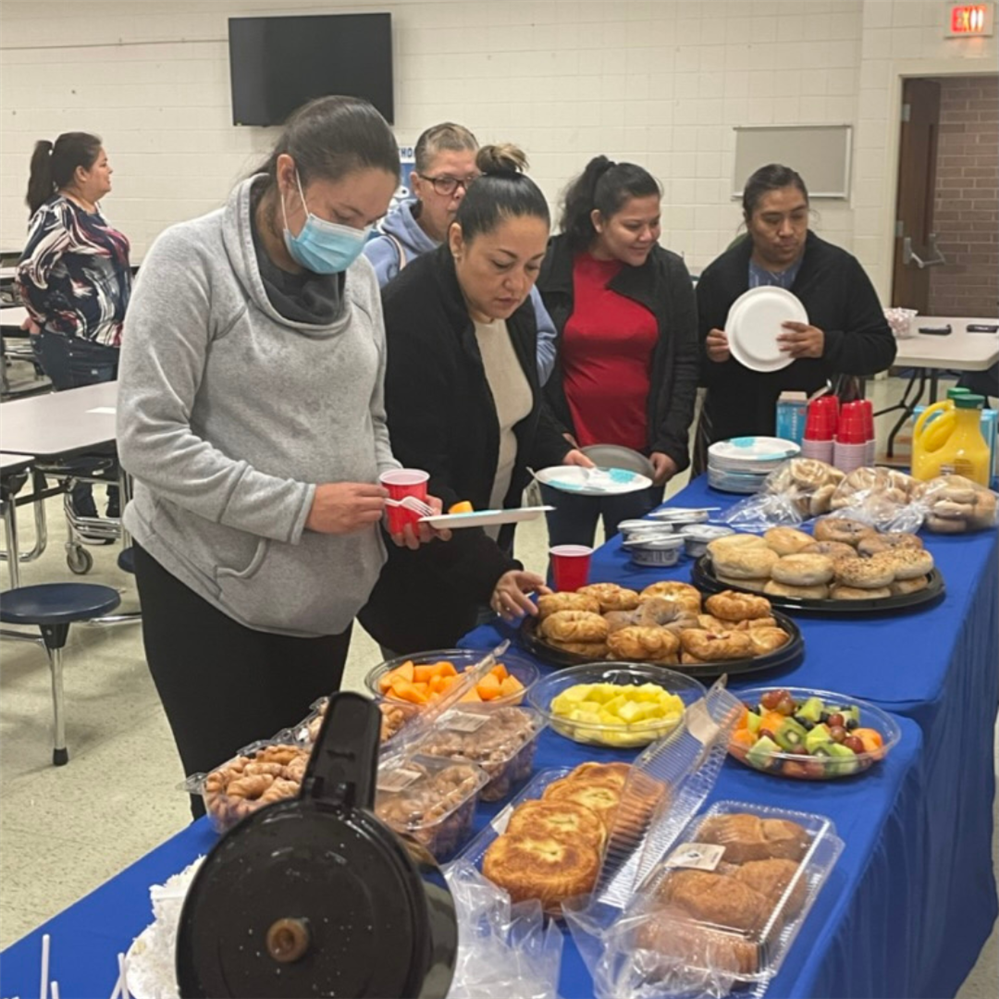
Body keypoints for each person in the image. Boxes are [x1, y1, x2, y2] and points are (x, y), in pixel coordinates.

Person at [116, 96, 445, 815]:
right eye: (343, 214)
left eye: (370, 222)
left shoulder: (356, 275)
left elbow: (370, 419)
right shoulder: (190, 259)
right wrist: (299, 506)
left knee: (307, 796)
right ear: (288, 176)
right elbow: (147, 438)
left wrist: (392, 486)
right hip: (214, 590)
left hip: (321, 594)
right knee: (242, 809)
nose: (355, 238)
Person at [359, 144, 592, 653]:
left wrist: (556, 449)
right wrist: (492, 572)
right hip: (422, 568)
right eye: (502, 264)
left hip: (484, 545)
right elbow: (423, 478)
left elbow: (516, 402)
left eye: (533, 267)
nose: (517, 285)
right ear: (459, 240)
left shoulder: (514, 305)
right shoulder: (412, 317)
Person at [536, 156, 699, 547]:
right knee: (568, 559)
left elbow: (685, 362)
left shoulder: (668, 273)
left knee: (633, 561)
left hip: (641, 458)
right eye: (633, 226)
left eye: (654, 222)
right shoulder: (550, 265)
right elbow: (532, 363)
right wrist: (554, 438)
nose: (648, 235)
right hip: (572, 455)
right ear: (598, 221)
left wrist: (671, 442)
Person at [694, 163, 896, 469]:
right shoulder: (721, 277)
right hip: (738, 440)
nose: (787, 231)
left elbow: (881, 349)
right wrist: (712, 356)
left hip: (820, 438)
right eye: (772, 220)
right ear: (748, 221)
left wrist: (827, 344)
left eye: (798, 217)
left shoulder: (839, 270)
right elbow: (689, 366)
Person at [364, 122, 558, 384]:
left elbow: (543, 338)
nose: (461, 193)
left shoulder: (510, 256)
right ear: (417, 185)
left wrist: (505, 381)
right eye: (445, 182)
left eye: (471, 180)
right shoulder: (382, 258)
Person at [17, 132, 132, 519]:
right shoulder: (58, 214)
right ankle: (82, 510)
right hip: (77, 343)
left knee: (119, 430)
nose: (110, 169)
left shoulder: (91, 212)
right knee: (85, 437)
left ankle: (120, 508)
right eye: (103, 163)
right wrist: (44, 316)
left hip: (111, 340)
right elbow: (31, 272)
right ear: (81, 173)